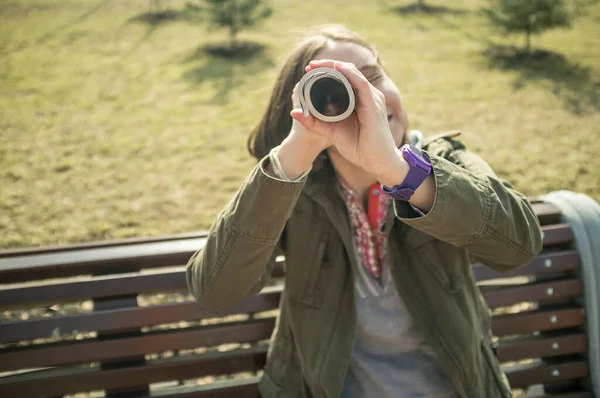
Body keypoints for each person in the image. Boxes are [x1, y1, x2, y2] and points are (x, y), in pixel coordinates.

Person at [186, 25, 542, 398]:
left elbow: (520, 246)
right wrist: (293, 157)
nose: (368, 98)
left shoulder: (445, 162)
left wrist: (398, 171)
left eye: (373, 76)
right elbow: (215, 290)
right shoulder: (295, 191)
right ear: (309, 109)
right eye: (338, 93)